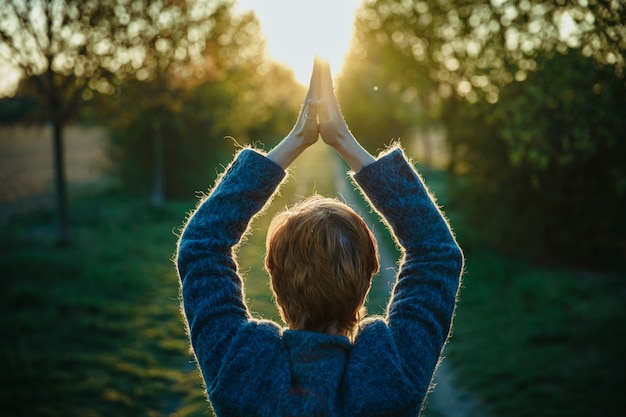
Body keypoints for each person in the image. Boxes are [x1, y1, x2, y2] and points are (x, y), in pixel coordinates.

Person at [176, 57, 464, 417]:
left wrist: (296, 140)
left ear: (275, 278)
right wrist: (343, 141)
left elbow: (201, 244)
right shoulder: (392, 379)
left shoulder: (241, 374)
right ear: (366, 277)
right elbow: (436, 252)